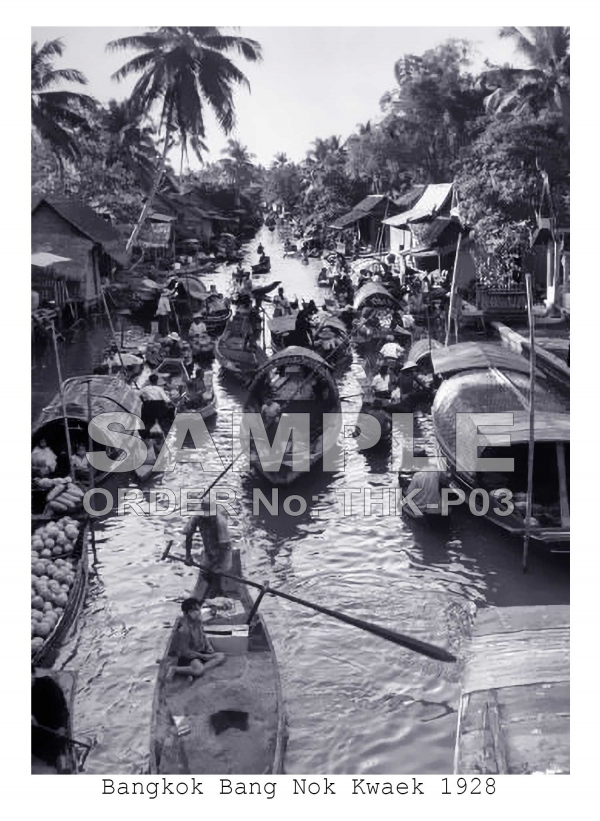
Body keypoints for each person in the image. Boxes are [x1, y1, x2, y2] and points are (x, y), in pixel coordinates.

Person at [183, 499, 233, 595]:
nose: (207, 518)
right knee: (204, 576)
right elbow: (189, 535)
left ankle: (220, 591)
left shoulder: (220, 521)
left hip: (223, 552)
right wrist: (188, 556)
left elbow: (223, 546)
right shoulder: (197, 517)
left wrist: (215, 565)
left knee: (218, 575)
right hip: (209, 550)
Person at [169, 598, 226, 680]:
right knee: (199, 669)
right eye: (193, 610)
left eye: (198, 609)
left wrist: (208, 646)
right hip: (189, 657)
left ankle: (192, 672)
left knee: (221, 656)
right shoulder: (184, 630)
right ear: (186, 613)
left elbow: (203, 635)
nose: (197, 612)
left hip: (200, 652)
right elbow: (185, 652)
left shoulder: (198, 622)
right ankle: (175, 669)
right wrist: (203, 656)